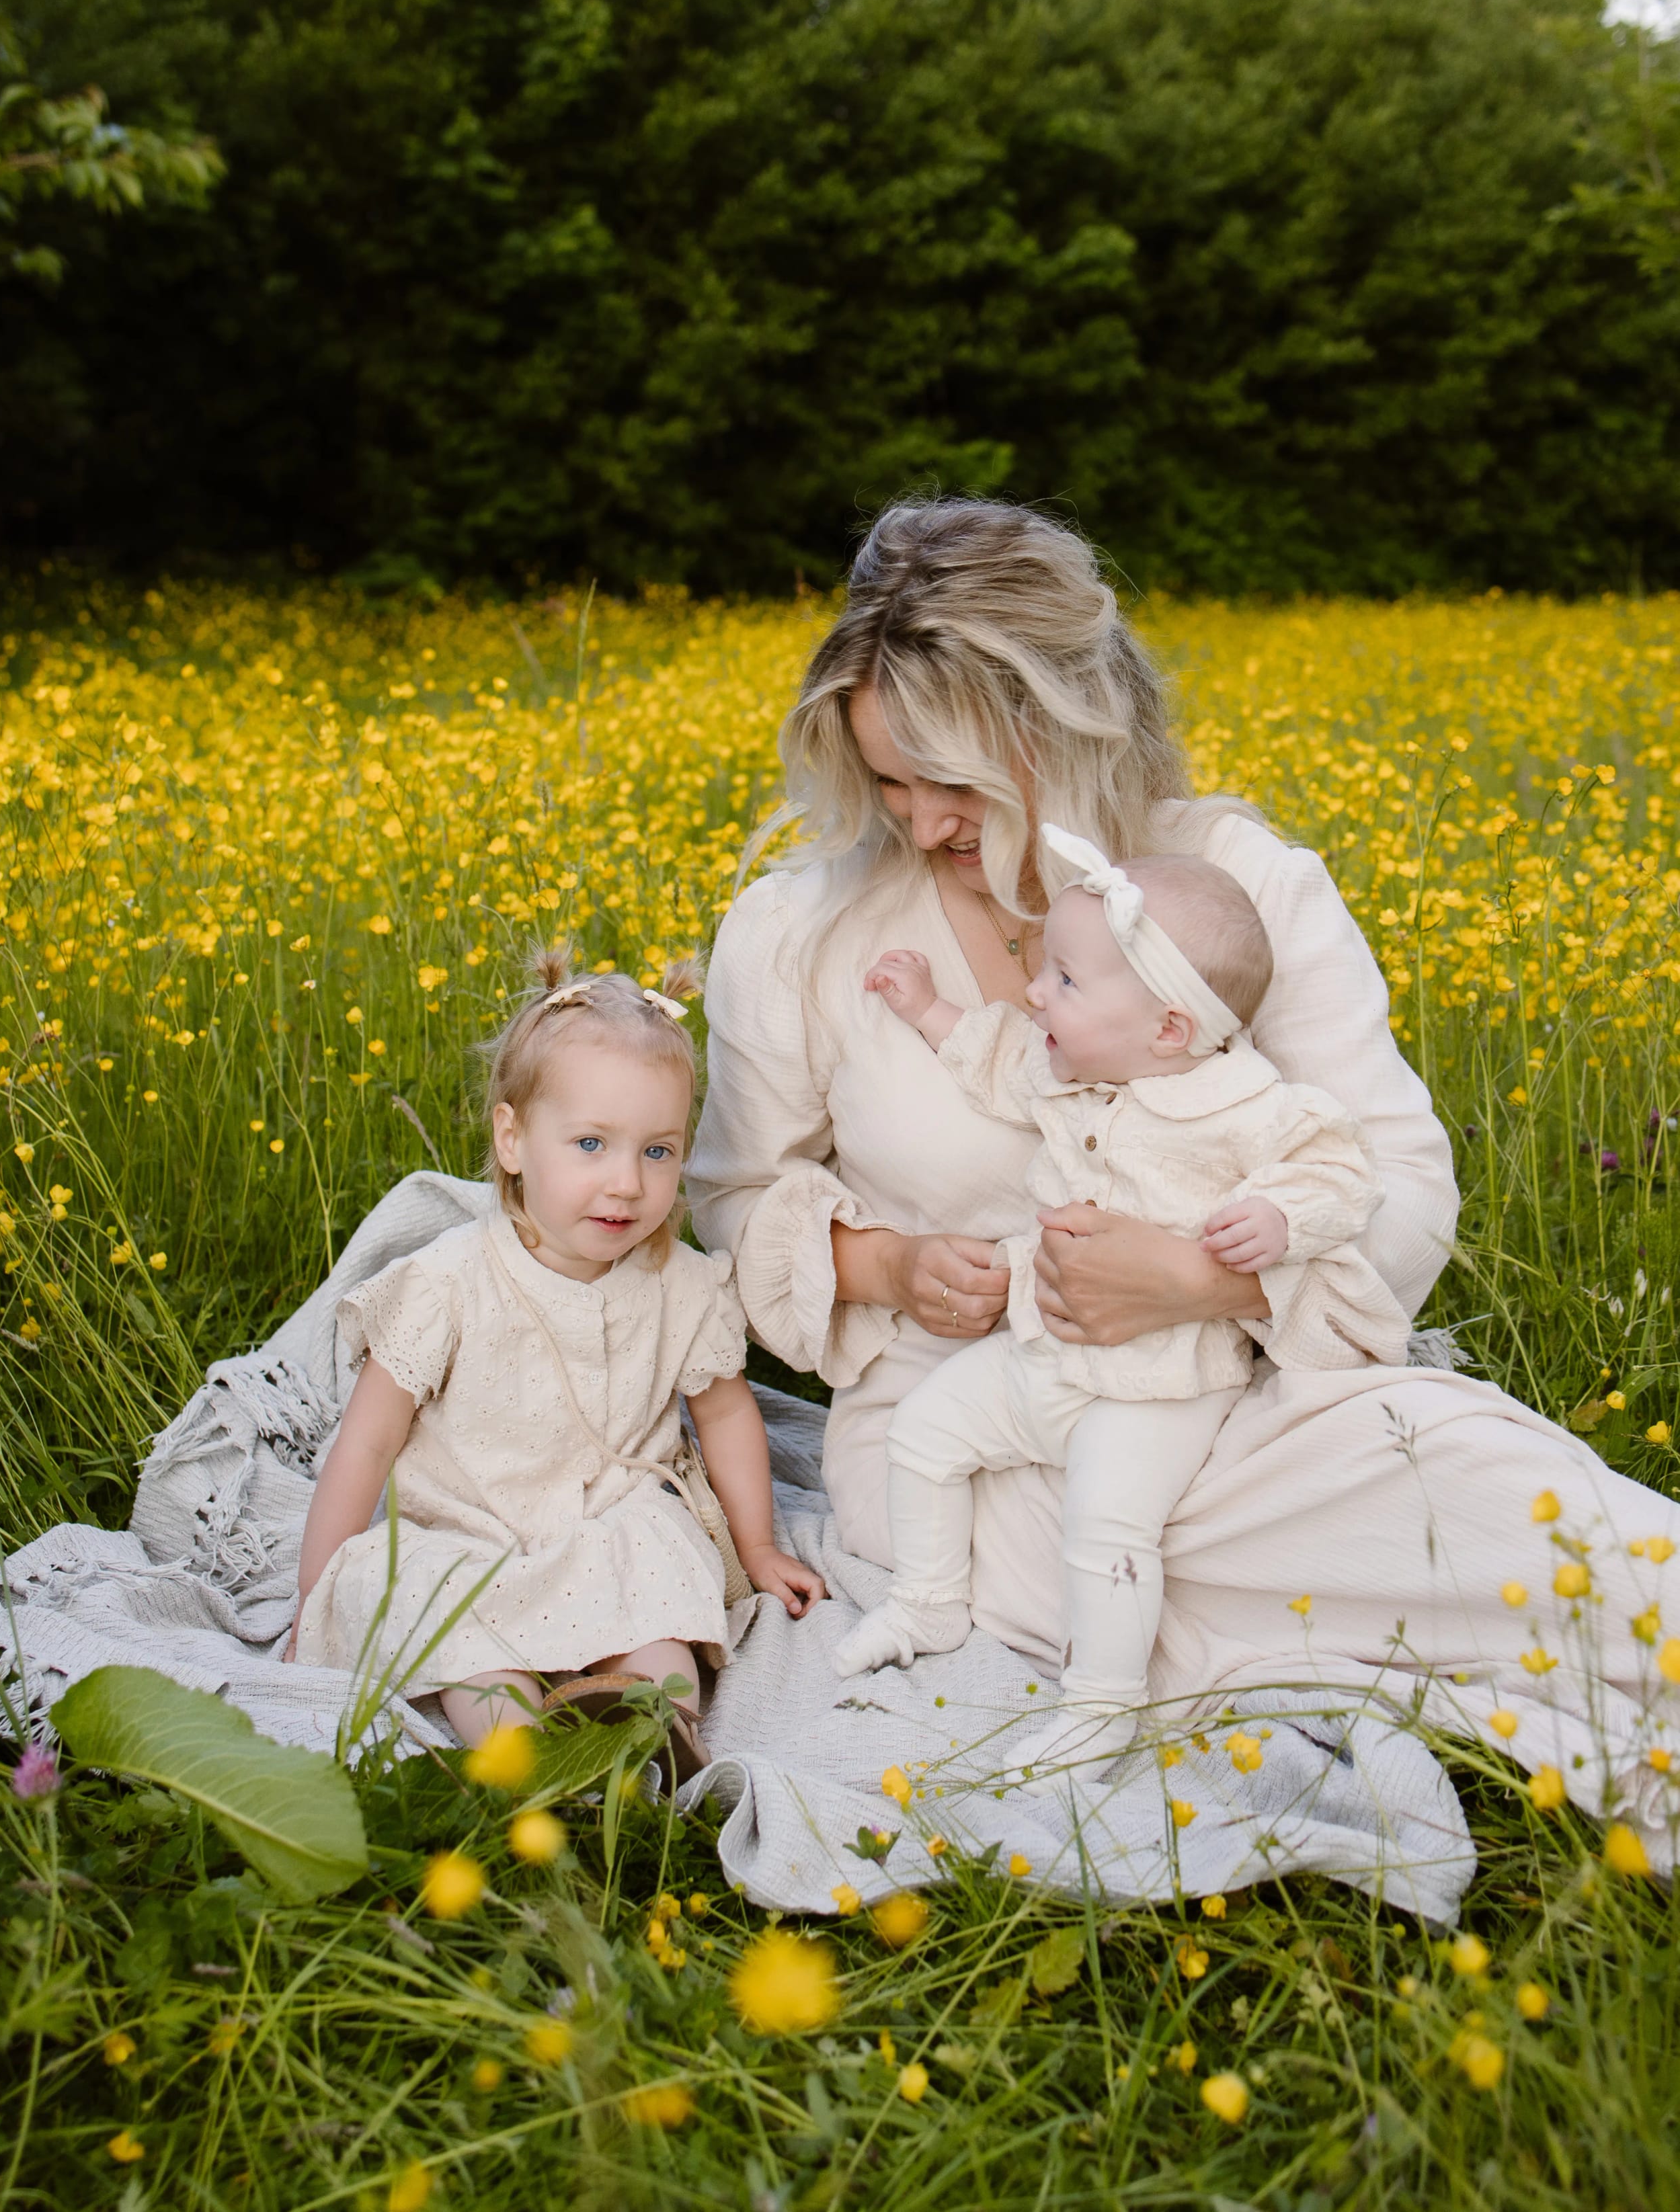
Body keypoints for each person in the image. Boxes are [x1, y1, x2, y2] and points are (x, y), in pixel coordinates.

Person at [686, 498, 1680, 1833]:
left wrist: (1196, 1283)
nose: (919, 824)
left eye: (955, 786)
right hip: (973, 1426)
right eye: (886, 783)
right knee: (1125, 1551)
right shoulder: (798, 936)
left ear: (1064, 730)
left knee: (1508, 1510)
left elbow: (1394, 1179)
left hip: (1245, 1390)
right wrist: (887, 1265)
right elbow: (731, 1211)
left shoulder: (1228, 881)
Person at [836, 827, 1408, 1779]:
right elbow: (993, 1054)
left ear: (1171, 1027)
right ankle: (931, 1598)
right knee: (926, 1431)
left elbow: (1339, 1170)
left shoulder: (1245, 1104)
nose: (1034, 994)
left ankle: (1103, 1707)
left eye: (1064, 981)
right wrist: (930, 1007)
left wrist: (1279, 1215)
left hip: (1161, 1388)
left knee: (1106, 1530)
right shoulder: (1068, 1072)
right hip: (1048, 1355)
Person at [291, 961, 825, 1758]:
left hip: (608, 1519)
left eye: (658, 1151)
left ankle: (647, 1731)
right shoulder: (450, 1282)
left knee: (656, 1583)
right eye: (590, 1144)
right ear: (512, 1139)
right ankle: (522, 1752)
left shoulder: (679, 1285)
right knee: (454, 1626)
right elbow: (366, 1442)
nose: (626, 1183)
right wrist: (319, 1591)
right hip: (468, 1532)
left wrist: (756, 1547)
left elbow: (724, 1415)